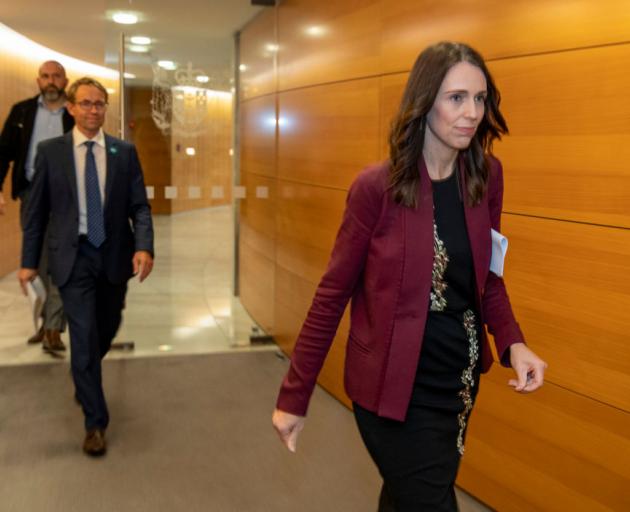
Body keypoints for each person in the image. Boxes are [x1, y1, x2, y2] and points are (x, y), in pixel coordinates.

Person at [272, 41, 547, 511]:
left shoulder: (486, 177)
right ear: (424, 102)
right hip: (390, 389)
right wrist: (294, 396)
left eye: (480, 99)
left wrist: (513, 342)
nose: (472, 113)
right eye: (456, 97)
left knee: (406, 498)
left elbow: (488, 279)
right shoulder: (376, 188)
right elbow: (331, 295)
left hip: (457, 382)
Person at [18, 77, 154, 457]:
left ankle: (84, 373)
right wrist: (29, 262)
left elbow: (139, 206)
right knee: (82, 334)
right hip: (72, 257)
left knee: (104, 329)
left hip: (112, 256)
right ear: (71, 108)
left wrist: (144, 246)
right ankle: (95, 422)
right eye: (86, 103)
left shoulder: (123, 152)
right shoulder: (51, 152)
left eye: (100, 104)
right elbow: (36, 214)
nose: (94, 110)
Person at [0, 60, 74, 351]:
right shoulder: (22, 111)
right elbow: (3, 152)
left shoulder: (73, 112)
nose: (51, 81)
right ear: (38, 80)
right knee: (37, 261)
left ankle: (54, 327)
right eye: (46, 76)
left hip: (66, 195)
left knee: (61, 260)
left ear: (65, 81)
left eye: (56, 76)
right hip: (32, 193)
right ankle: (47, 323)